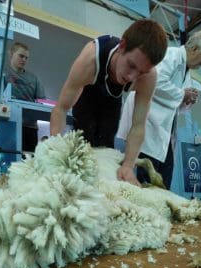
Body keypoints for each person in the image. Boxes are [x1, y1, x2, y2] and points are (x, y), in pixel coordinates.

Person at [50, 19, 168, 186]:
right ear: (122, 46)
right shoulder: (90, 59)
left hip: (113, 100)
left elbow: (139, 125)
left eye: (142, 72)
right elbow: (61, 108)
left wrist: (128, 166)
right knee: (83, 144)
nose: (132, 77)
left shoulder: (148, 77)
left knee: (106, 147)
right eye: (131, 65)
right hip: (88, 93)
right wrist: (54, 152)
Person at [116, 30, 201, 189]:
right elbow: (155, 83)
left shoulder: (186, 70)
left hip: (163, 132)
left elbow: (175, 103)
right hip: (147, 125)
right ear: (195, 49)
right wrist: (182, 94)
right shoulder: (171, 55)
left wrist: (187, 100)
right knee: (148, 181)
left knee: (163, 180)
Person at [4, 42, 45, 152]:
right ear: (11, 54)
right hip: (9, 123)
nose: (24, 60)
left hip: (30, 126)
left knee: (29, 160)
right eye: (21, 56)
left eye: (26, 58)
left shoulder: (34, 79)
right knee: (9, 158)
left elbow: (41, 101)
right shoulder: (2, 74)